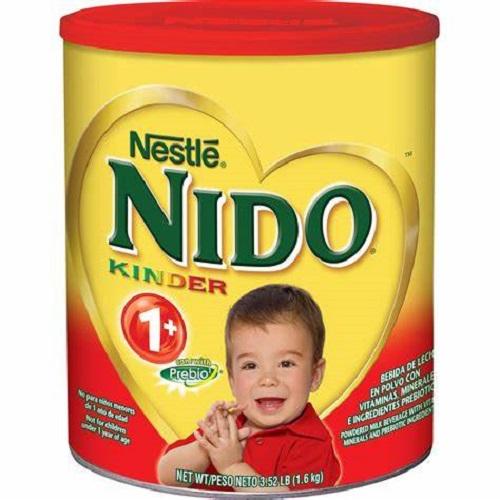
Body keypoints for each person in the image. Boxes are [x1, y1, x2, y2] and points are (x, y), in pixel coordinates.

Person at [157, 284, 341, 492]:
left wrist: (232, 466)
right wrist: (208, 445)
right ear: (232, 380)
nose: (268, 379)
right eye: (250, 366)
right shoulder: (229, 424)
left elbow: (287, 497)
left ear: (315, 375)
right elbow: (167, 476)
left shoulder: (312, 443)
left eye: (286, 363)